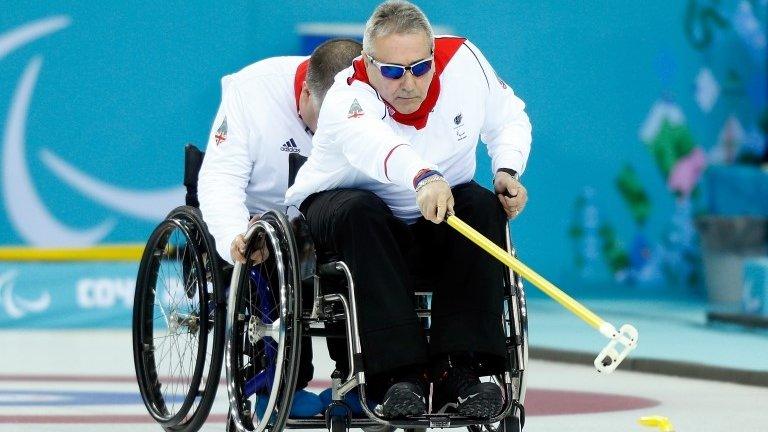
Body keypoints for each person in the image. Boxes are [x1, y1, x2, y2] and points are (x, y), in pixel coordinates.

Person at [285, 0, 531, 419]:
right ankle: (397, 376)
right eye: (393, 72)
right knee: (361, 211)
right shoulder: (348, 94)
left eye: (420, 67)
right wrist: (422, 177)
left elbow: (509, 117)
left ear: (434, 55)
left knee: (482, 206)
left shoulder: (466, 63)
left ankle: (461, 371)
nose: (409, 83)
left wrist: (507, 168)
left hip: (432, 218)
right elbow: (380, 148)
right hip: (340, 217)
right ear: (368, 63)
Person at [197, 38, 363, 418]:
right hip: (265, 219)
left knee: (360, 232)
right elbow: (220, 178)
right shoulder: (252, 93)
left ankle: (360, 381)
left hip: (327, 216)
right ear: (305, 93)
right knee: (271, 236)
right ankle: (279, 384)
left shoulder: (368, 96)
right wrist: (234, 235)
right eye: (322, 122)